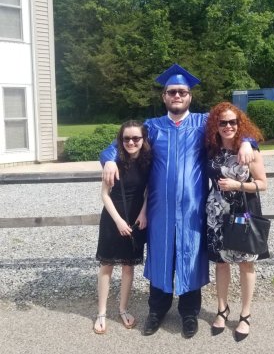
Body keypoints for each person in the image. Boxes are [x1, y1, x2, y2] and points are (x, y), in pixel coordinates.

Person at [100, 63, 255, 338]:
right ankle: (157, 311)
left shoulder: (203, 123)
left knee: (191, 256)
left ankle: (189, 314)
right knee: (160, 256)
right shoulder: (151, 127)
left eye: (182, 92)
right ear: (164, 97)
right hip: (159, 209)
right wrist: (109, 161)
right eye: (172, 92)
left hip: (194, 207)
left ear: (190, 96)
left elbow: (234, 129)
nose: (177, 96)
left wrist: (246, 143)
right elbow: (117, 144)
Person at [205, 102, 268, 342]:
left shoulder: (250, 150)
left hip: (243, 212)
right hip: (217, 213)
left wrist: (237, 184)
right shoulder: (211, 148)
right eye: (223, 123)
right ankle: (222, 309)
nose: (228, 126)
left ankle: (245, 314)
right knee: (221, 263)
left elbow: (263, 183)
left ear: (239, 124)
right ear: (216, 125)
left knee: (245, 264)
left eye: (233, 122)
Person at [94, 120, 151, 334]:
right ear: (121, 140)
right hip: (112, 218)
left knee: (128, 266)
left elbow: (148, 191)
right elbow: (104, 195)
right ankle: (101, 312)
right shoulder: (114, 162)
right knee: (107, 265)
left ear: (143, 140)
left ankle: (123, 308)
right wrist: (118, 220)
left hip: (136, 218)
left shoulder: (147, 162)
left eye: (136, 138)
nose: (131, 142)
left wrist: (144, 213)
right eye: (126, 138)